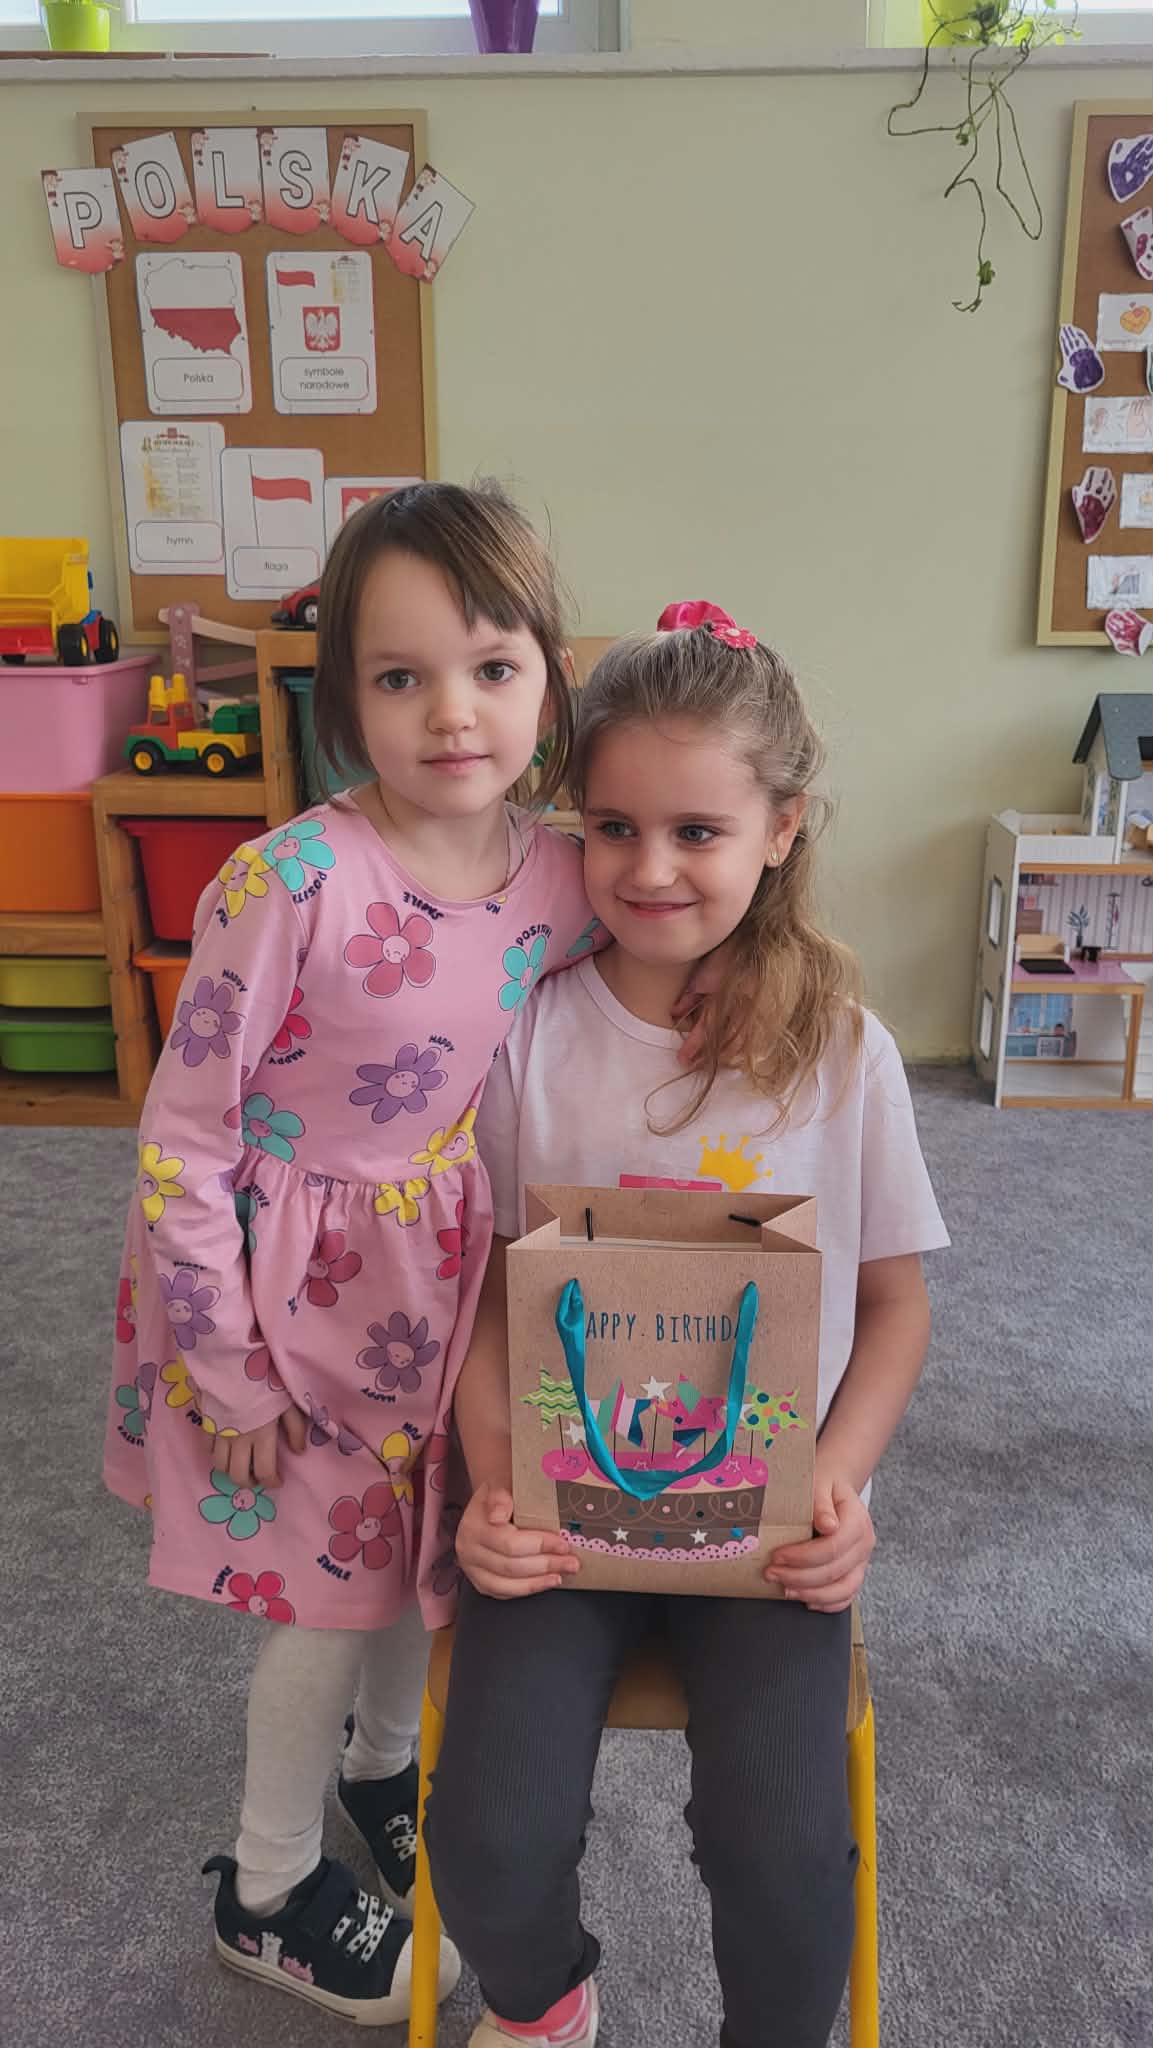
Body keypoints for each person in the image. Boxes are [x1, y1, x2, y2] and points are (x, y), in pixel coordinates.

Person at [104, 481, 597, 2026]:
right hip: (280, 1306)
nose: (452, 712)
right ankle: (263, 1889)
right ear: (344, 702)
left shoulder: (563, 872)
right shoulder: (286, 885)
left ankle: (385, 1776)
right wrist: (225, 1366)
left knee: (413, 1561)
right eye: (400, 676)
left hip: (440, 1290)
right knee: (322, 1602)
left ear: (547, 680)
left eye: (492, 667)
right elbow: (181, 1139)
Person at [425, 600, 950, 2048]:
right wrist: (493, 1484)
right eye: (613, 827)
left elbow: (894, 1306)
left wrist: (838, 1480)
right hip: (561, 1512)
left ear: (781, 829)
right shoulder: (532, 1032)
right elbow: (489, 1296)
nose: (648, 870)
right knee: (484, 1839)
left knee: (787, 1862)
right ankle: (545, 2006)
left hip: (765, 1531)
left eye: (698, 832)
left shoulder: (842, 1053)